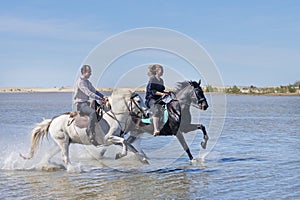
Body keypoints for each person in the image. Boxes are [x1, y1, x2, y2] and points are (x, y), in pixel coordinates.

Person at [73, 65, 107, 145]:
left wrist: (103, 96)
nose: (90, 74)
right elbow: (88, 93)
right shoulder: (80, 82)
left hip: (86, 103)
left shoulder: (88, 82)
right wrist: (100, 99)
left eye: (90, 72)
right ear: (84, 72)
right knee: (92, 112)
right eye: (89, 72)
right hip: (81, 105)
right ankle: (90, 131)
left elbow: (94, 91)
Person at [145, 64, 168, 136]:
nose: (163, 72)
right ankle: (156, 129)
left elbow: (161, 90)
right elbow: (152, 90)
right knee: (156, 110)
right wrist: (161, 94)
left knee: (168, 108)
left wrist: (167, 93)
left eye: (163, 70)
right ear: (157, 71)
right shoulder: (152, 79)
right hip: (151, 99)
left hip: (158, 100)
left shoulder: (161, 80)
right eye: (161, 70)